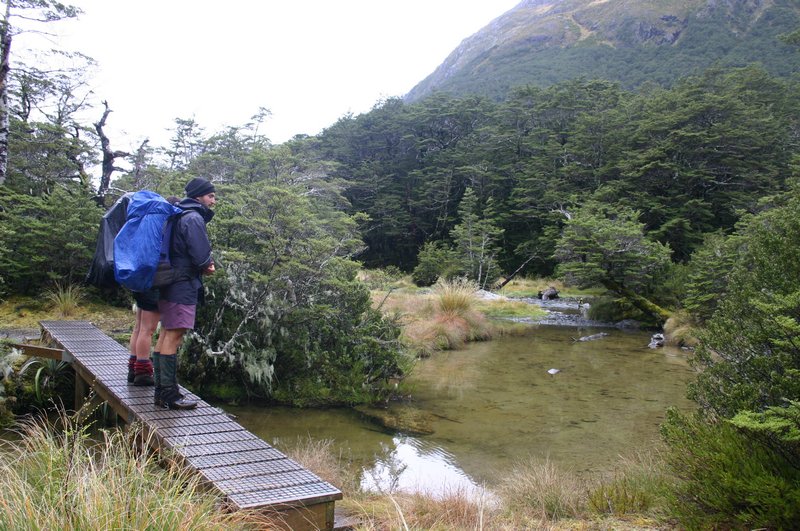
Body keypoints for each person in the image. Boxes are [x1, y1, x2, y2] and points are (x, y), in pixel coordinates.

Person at [153, 178, 216, 410]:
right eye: (210, 196)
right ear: (199, 196)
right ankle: (169, 396)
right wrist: (208, 265)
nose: (213, 201)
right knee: (174, 335)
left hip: (168, 280)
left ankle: (162, 392)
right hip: (182, 282)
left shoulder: (178, 213)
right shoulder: (193, 218)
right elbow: (201, 255)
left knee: (165, 333)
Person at [125, 196, 181, 387]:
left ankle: (133, 368)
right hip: (153, 282)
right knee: (147, 330)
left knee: (139, 327)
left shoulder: (150, 224)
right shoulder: (165, 227)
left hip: (141, 279)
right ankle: (142, 372)